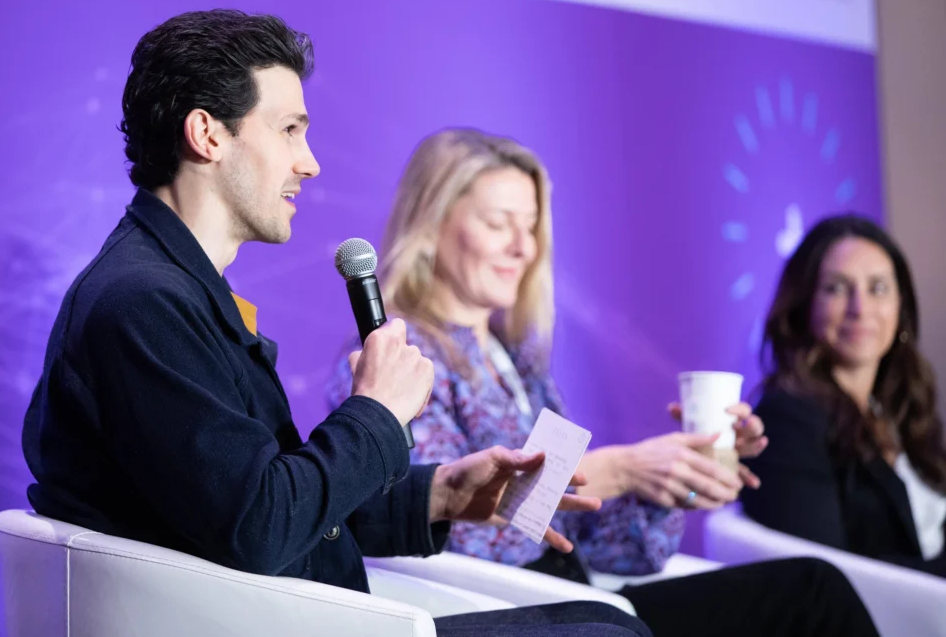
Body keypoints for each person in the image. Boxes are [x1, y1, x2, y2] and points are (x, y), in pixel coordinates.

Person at [20, 10, 654, 637]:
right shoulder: (142, 302)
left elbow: (276, 506)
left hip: (301, 612)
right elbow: (261, 527)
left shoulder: (179, 291)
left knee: (603, 622)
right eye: (290, 130)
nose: (310, 162)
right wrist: (376, 410)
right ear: (207, 135)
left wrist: (442, 495)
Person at [326, 128, 881, 637]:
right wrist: (616, 472)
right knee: (810, 592)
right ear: (432, 223)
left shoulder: (519, 362)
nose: (525, 248)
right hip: (519, 615)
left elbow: (604, 546)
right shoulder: (394, 359)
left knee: (812, 589)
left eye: (531, 227)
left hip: (585, 598)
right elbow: (446, 530)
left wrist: (669, 480)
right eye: (499, 224)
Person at [741, 215, 946, 577]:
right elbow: (826, 579)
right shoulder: (786, 419)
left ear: (901, 306)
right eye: (836, 288)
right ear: (805, 305)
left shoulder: (899, 406)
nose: (859, 309)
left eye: (878, 288)